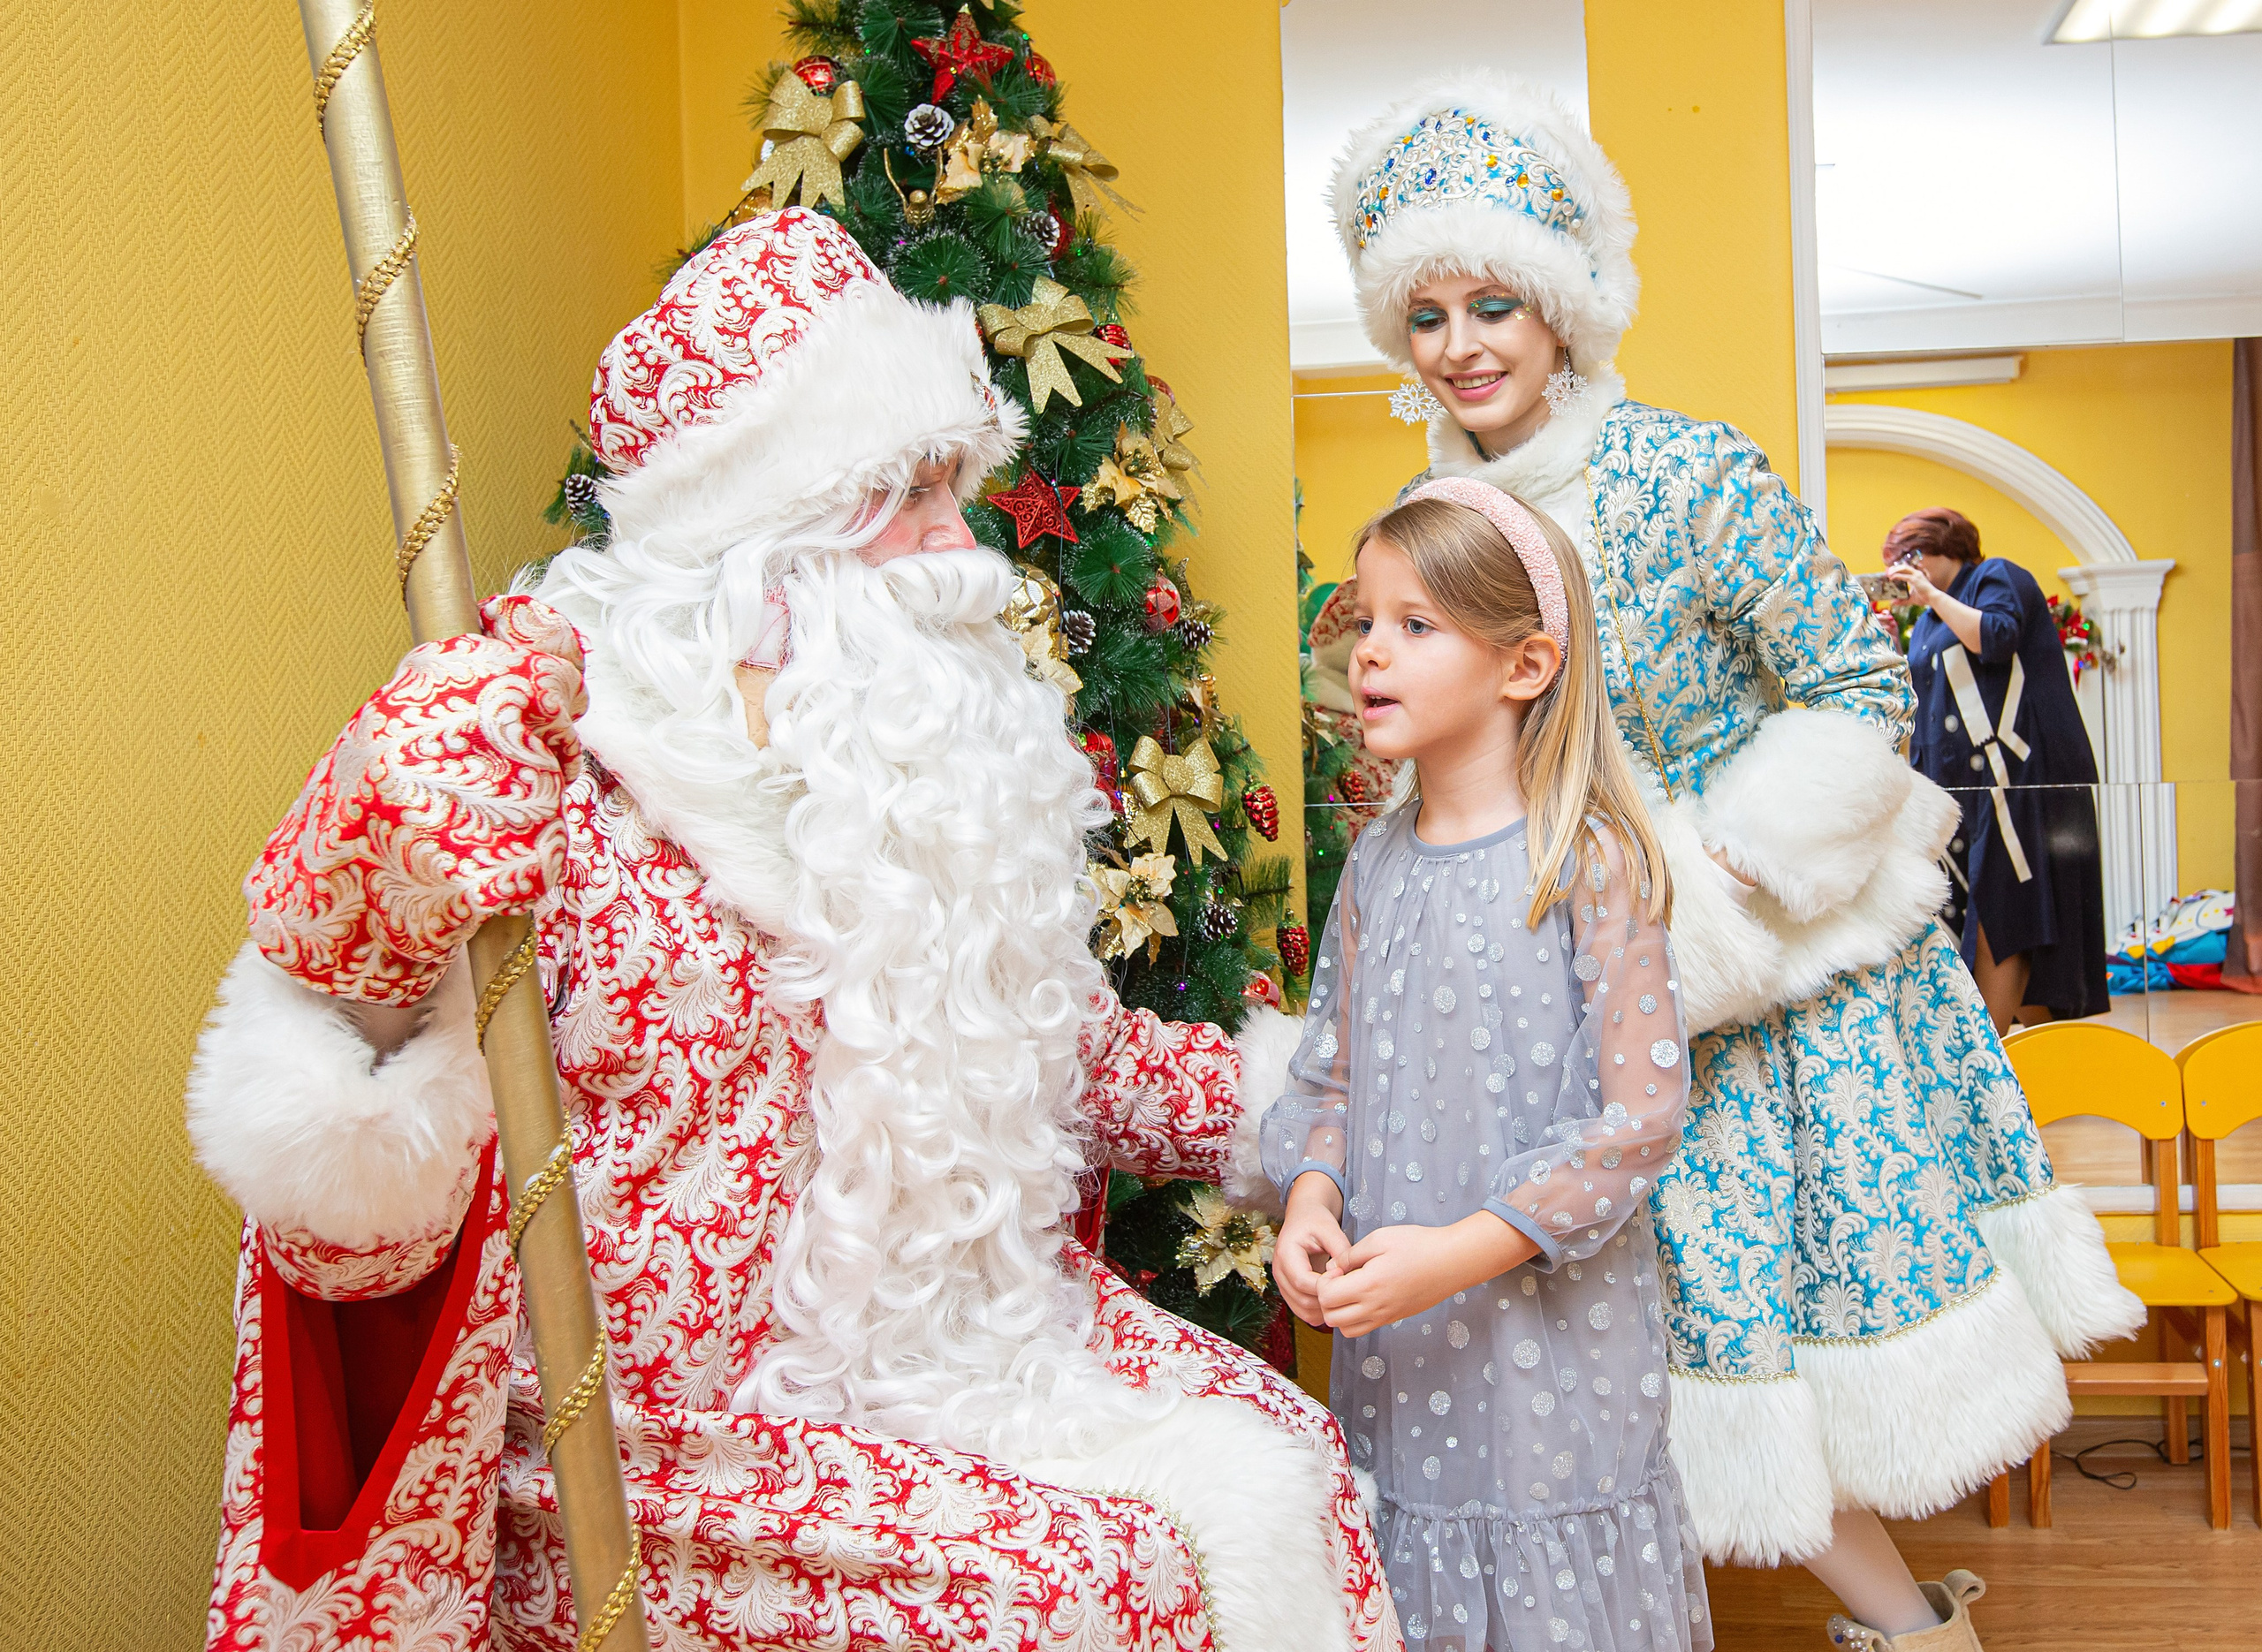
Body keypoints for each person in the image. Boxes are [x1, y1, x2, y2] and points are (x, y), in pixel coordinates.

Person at [185, 208, 1392, 1652]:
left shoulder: (904, 778)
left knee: (1288, 1454)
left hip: (938, 1353)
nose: (959, 540)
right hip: (643, 1434)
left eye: (957, 485)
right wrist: (381, 854)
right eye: (910, 491)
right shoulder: (534, 749)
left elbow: (1058, 1053)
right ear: (760, 523)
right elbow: (343, 1141)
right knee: (1074, 1591)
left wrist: (1317, 1104)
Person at [1329, 74, 2142, 1651]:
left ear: (1562, 306)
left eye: (1494, 303)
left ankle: (1915, 1633)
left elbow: (1853, 684)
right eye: (1425, 314)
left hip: (1767, 984)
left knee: (1746, 1340)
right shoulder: (1428, 519)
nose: (1462, 344)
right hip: (1560, 987)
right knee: (1621, 1341)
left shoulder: (1688, 472)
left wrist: (1717, 895)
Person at [1267, 479, 1707, 1652]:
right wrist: (1310, 1196)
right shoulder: (1373, 864)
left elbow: (1638, 1118)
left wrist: (1459, 1253)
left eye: (1416, 624)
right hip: (1398, 1350)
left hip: (1551, 1352)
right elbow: (1327, 1074)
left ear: (1525, 665)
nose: (1371, 650)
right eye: (1366, 619)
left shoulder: (1590, 862)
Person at [1886, 508, 2109, 1029]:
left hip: (2022, 783)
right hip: (1970, 793)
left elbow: (1996, 637)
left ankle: (1988, 1054)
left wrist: (1931, 597)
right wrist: (1893, 644)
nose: (1901, 571)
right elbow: (1923, 696)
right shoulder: (1930, 620)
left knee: (2004, 908)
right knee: (2000, 911)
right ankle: (2031, 1057)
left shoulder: (1994, 577)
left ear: (1942, 547)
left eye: (1908, 557)